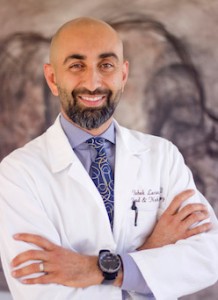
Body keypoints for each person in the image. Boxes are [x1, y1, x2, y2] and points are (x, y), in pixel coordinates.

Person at [0, 17, 217, 300]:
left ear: (123, 75)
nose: (93, 83)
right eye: (77, 66)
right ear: (53, 78)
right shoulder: (17, 173)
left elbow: (208, 257)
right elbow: (40, 292)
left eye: (106, 65)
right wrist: (148, 257)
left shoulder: (163, 156)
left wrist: (95, 270)